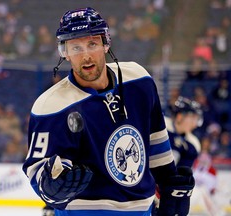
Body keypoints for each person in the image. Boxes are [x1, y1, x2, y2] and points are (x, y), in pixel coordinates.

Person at [22, 7, 195, 216]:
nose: (85, 56)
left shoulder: (138, 80)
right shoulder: (51, 105)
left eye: (92, 44)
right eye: (75, 47)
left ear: (106, 44)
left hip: (142, 210)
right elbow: (39, 171)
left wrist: (168, 184)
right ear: (64, 52)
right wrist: (50, 186)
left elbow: (156, 142)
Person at [164, 96, 203, 167]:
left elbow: (182, 173)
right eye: (193, 118)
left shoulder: (193, 143)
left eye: (197, 119)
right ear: (180, 117)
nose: (195, 124)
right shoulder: (159, 125)